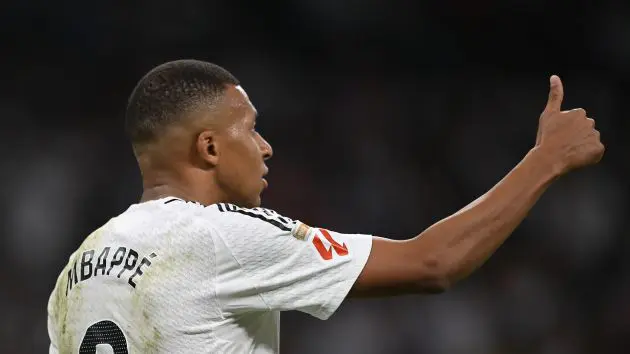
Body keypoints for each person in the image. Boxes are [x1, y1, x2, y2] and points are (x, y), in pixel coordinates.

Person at [46, 59, 604, 354]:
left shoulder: (76, 270)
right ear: (210, 147)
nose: (265, 146)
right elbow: (433, 263)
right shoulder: (221, 236)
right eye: (251, 129)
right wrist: (546, 159)